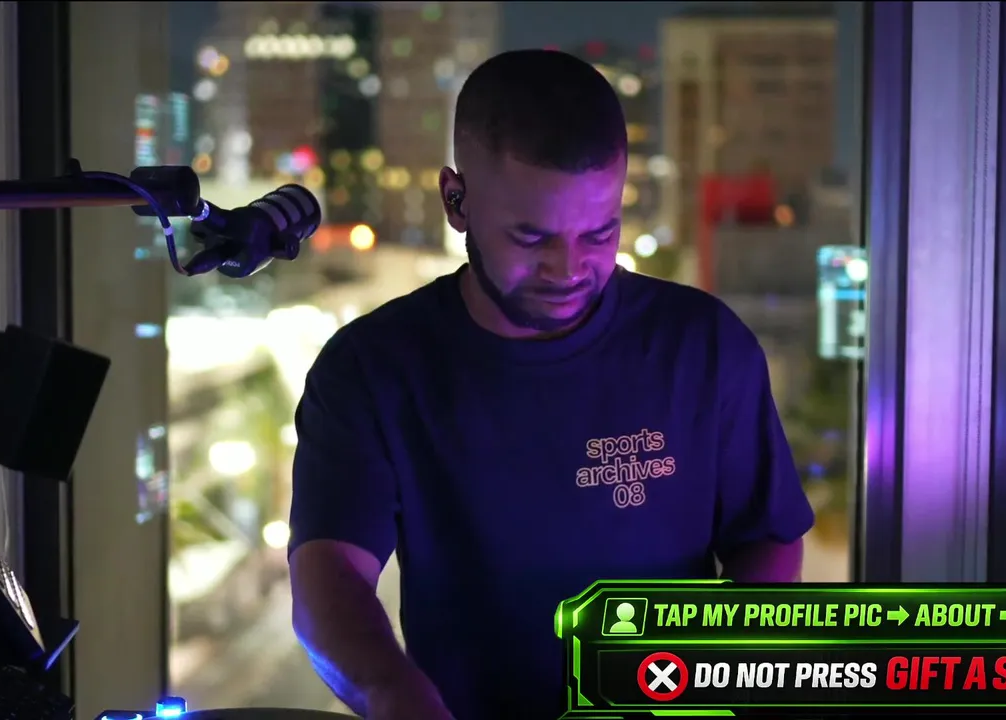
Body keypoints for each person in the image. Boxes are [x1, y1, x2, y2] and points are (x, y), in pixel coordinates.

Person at [287, 49, 813, 720]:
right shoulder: (373, 368)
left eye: (599, 233)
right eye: (532, 238)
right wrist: (392, 693)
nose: (568, 269)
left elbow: (767, 536)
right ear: (456, 200)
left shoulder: (702, 344)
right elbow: (331, 573)